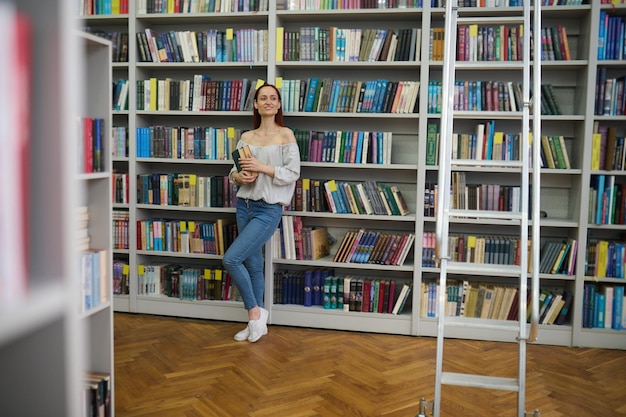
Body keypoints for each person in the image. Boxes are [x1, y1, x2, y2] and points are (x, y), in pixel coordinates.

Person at [223, 83, 300, 342]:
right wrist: (239, 176)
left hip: (268, 209)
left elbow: (292, 174)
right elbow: (231, 171)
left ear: (278, 105)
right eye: (263, 98)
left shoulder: (286, 135)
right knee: (254, 265)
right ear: (255, 104)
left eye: (273, 98)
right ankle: (255, 325)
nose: (268, 102)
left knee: (231, 259)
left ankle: (255, 313)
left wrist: (262, 166)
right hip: (244, 205)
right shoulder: (247, 137)